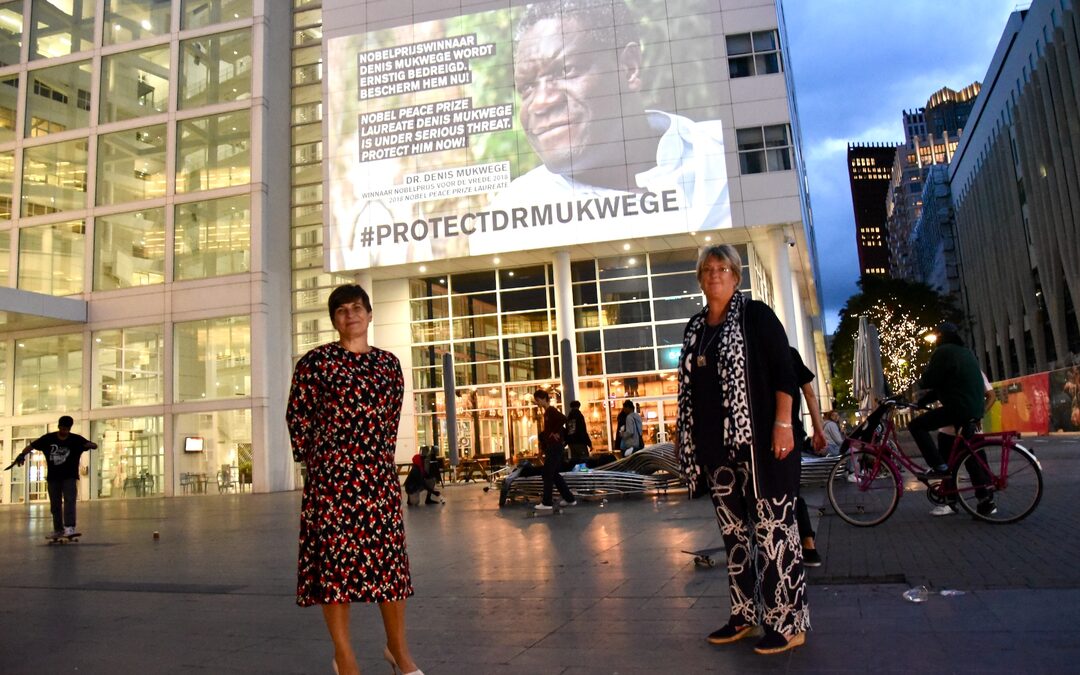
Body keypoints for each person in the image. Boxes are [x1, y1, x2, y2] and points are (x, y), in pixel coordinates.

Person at [477, 0, 729, 250]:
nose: (541, 102)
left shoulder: (725, 152)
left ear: (630, 68)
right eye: (527, 88)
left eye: (567, 70)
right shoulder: (511, 222)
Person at [676, 244, 808, 655]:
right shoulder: (697, 329)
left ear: (736, 276)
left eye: (723, 268)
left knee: (773, 533)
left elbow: (786, 374)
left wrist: (784, 425)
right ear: (701, 279)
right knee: (735, 536)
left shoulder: (756, 317)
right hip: (718, 453)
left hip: (764, 448)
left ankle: (788, 624)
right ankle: (745, 615)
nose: (715, 274)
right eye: (708, 269)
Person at [287, 284, 423, 675]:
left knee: (390, 564)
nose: (351, 314)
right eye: (342, 310)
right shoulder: (316, 363)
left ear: (369, 314)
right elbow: (298, 417)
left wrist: (375, 458)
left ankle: (398, 648)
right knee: (334, 565)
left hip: (376, 479)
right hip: (331, 482)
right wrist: (320, 463)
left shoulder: (388, 364)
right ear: (334, 320)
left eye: (357, 307)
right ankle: (344, 655)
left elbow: (390, 419)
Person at [907, 322, 988, 508]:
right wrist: (923, 402)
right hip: (973, 409)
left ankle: (938, 466)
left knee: (916, 426)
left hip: (958, 408)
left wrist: (921, 379)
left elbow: (929, 380)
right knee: (969, 455)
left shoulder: (943, 352)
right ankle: (985, 498)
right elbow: (944, 385)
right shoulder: (966, 352)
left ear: (940, 337)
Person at [14, 415, 97, 538]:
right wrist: (22, 454)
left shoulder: (75, 439)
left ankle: (69, 527)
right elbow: (32, 446)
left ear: (70, 428)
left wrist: (91, 445)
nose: (64, 432)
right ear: (59, 427)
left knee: (70, 501)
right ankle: (58, 529)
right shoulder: (48, 439)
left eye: (67, 429)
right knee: (55, 504)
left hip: (69, 476)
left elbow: (93, 445)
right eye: (62, 429)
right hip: (53, 477)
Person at [790, 347, 828, 568]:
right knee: (793, 490)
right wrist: (818, 428)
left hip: (760, 435)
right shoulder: (789, 353)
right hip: (791, 432)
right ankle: (808, 543)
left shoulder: (749, 351)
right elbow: (809, 393)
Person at [532, 389, 577, 511]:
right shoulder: (548, 412)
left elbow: (563, 418)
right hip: (554, 446)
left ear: (542, 399)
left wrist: (554, 432)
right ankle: (570, 499)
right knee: (553, 474)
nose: (537, 403)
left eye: (537, 400)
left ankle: (547, 502)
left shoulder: (550, 411)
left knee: (547, 473)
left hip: (554, 447)